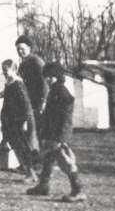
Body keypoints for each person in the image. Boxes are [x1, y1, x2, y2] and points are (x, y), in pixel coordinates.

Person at [27, 62, 87, 202]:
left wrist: (61, 137)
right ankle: (43, 185)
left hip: (58, 135)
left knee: (65, 161)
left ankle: (78, 190)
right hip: (52, 133)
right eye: (46, 77)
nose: (47, 79)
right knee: (48, 158)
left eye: (50, 77)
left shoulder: (61, 92)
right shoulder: (55, 90)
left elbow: (65, 118)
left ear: (56, 76)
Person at [0, 59, 39, 183]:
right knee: (16, 146)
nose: (4, 73)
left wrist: (25, 121)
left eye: (6, 70)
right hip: (10, 120)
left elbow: (26, 103)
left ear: (14, 70)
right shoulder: (9, 83)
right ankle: (28, 171)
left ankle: (31, 173)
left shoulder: (18, 83)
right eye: (3, 71)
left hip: (19, 120)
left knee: (22, 146)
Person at [15, 35, 48, 164]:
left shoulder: (36, 62)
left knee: (36, 132)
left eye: (22, 49)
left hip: (37, 102)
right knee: (28, 132)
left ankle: (40, 162)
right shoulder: (22, 64)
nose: (20, 51)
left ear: (29, 48)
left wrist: (43, 102)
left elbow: (44, 83)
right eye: (18, 49)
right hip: (27, 103)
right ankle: (31, 161)